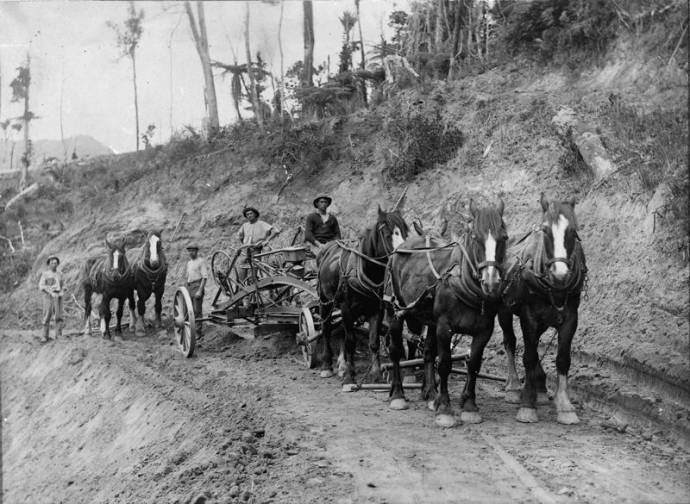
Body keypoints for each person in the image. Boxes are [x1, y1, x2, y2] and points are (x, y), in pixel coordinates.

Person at [38, 255, 64, 342]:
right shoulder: (45, 274)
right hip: (48, 297)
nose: (54, 264)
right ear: (49, 264)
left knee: (59, 316)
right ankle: (45, 336)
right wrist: (50, 292)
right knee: (47, 316)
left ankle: (58, 335)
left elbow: (64, 285)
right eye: (52, 263)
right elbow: (41, 286)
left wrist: (62, 290)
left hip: (58, 296)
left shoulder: (60, 274)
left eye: (56, 263)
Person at [185, 244, 207, 336]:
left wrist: (200, 291)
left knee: (197, 311)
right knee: (189, 311)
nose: (191, 253)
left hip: (197, 286)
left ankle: (198, 332)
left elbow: (204, 277)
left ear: (197, 251)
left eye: (193, 251)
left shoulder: (201, 262)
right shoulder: (189, 263)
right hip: (189, 287)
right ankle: (190, 331)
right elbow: (188, 277)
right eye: (189, 251)